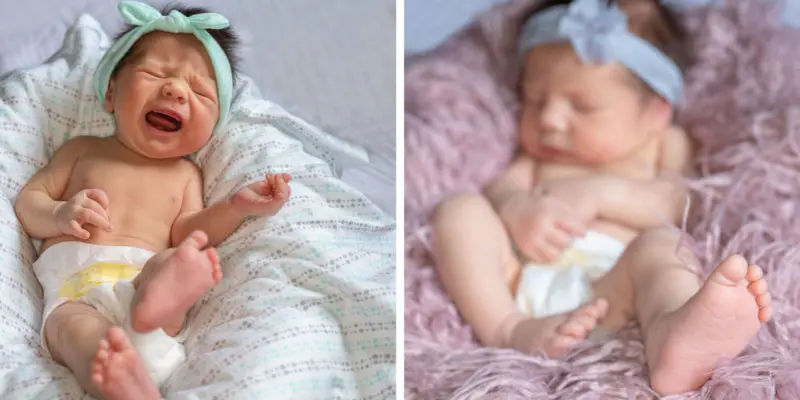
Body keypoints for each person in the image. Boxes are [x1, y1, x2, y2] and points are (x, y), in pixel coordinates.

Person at [431, 0, 772, 395]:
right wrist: (516, 207)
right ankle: (510, 328)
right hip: (522, 280)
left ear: (655, 113)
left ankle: (672, 335)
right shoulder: (535, 159)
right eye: (536, 100)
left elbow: (682, 202)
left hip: (616, 287)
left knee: (660, 247)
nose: (550, 120)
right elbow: (499, 189)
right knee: (459, 210)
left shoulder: (663, 145)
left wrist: (604, 193)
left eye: (583, 106)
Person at [14, 2, 291, 399]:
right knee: (75, 331)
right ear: (110, 93)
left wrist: (236, 207)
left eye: (198, 90)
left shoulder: (185, 174)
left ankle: (158, 306)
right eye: (154, 73)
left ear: (213, 125)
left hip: (142, 278)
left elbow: (187, 230)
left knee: (171, 261)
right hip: (76, 292)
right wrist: (59, 214)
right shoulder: (82, 150)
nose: (175, 89)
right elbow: (29, 202)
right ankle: (126, 380)